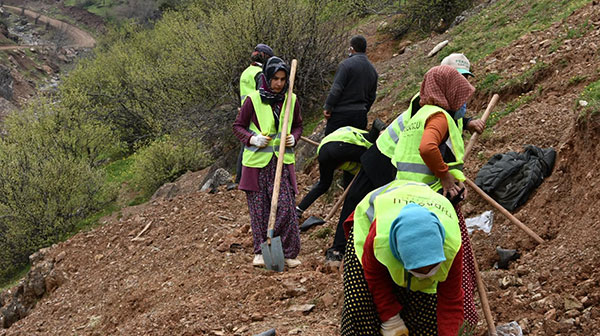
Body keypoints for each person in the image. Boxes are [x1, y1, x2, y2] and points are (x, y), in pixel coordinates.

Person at [391, 64, 479, 327]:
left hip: (403, 197)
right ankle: (457, 322)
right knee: (451, 263)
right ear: (448, 92)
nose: (463, 104)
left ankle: (419, 320)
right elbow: (428, 148)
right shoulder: (440, 117)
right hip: (432, 201)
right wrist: (445, 176)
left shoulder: (418, 114)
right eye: (460, 97)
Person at [341, 180, 464, 336]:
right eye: (418, 270)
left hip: (424, 205)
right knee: (360, 305)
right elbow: (376, 278)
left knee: (425, 317)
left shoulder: (451, 246)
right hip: (368, 228)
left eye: (432, 268)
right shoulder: (379, 240)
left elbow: (450, 301)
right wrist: (391, 319)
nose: (426, 274)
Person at [232, 56, 302, 268]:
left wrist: (294, 137)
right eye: (275, 79)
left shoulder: (292, 100)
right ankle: (260, 251)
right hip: (256, 164)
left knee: (286, 208)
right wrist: (252, 139)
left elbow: (298, 125)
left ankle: (289, 253)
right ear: (266, 78)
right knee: (259, 209)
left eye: (282, 79)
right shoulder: (253, 100)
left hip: (281, 162)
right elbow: (238, 126)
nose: (279, 83)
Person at [295, 121, 384, 218]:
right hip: (340, 147)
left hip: (324, 152)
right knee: (372, 165)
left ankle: (299, 209)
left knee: (324, 184)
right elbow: (376, 122)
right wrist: (383, 129)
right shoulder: (367, 139)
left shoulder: (355, 158)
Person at [235, 43, 275, 184]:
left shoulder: (246, 72)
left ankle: (239, 178)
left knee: (245, 144)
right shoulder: (260, 73)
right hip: (255, 113)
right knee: (255, 144)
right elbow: (261, 95)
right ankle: (252, 177)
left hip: (244, 111)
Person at [323, 35, 378, 135]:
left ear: (352, 49)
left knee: (330, 144)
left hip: (341, 115)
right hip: (360, 116)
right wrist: (364, 110)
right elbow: (372, 96)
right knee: (354, 147)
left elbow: (336, 89)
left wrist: (328, 107)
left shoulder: (345, 65)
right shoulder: (372, 70)